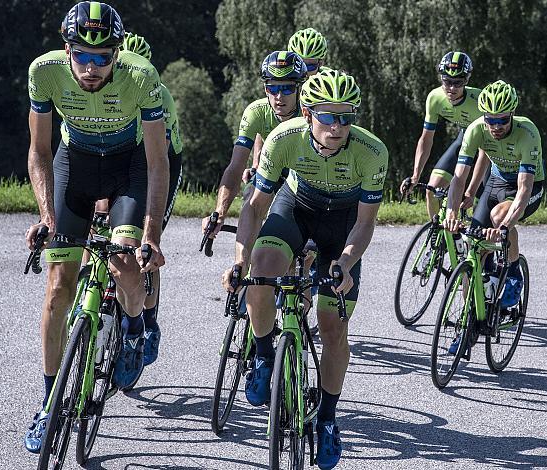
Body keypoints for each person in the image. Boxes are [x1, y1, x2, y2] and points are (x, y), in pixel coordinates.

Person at [223, 69, 388, 470]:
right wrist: (239, 256)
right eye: (328, 117)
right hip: (296, 208)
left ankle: (328, 420)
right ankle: (264, 355)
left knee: (333, 327)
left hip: (342, 227)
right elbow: (255, 205)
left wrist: (346, 262)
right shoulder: (284, 138)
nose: (337, 126)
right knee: (262, 268)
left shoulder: (371, 151)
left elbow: (365, 224)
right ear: (309, 112)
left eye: (346, 117)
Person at [23, 1, 167, 453]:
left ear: (117, 55)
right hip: (75, 166)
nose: (90, 66)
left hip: (129, 169)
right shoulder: (43, 73)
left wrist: (152, 235)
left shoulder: (142, 78)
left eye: (102, 57)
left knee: (126, 263)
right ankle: (48, 405)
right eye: (81, 55)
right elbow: (40, 153)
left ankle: (132, 326)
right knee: (57, 288)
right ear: (67, 50)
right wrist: (46, 217)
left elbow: (159, 163)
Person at [445, 80, 544, 309]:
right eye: (491, 120)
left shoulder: (527, 133)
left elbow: (524, 189)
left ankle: (513, 272)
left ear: (512, 114)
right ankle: (470, 318)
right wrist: (451, 211)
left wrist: (504, 228)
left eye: (502, 120)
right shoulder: (476, 130)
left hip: (526, 186)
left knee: (500, 216)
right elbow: (459, 177)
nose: (496, 126)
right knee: (473, 251)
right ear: (484, 117)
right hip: (496, 182)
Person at [117, 31, 183, 366]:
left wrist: (149, 228)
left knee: (145, 244)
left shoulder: (159, 96)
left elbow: (159, 160)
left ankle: (150, 320)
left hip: (161, 161)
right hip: (124, 159)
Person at [201, 51, 307, 234]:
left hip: (305, 174)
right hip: (273, 169)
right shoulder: (256, 112)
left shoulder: (309, 113)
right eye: (272, 89)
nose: (279, 97)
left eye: (287, 89)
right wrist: (220, 212)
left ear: (299, 88)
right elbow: (235, 167)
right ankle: (241, 262)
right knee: (251, 195)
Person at [401, 52, 483, 218]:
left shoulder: (479, 101)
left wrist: (471, 189)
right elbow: (426, 138)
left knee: (480, 206)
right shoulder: (435, 98)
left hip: (488, 148)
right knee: (432, 190)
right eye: (447, 81)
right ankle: (439, 238)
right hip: (465, 140)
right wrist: (416, 175)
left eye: (458, 82)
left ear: (466, 80)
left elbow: (485, 151)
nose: (451, 88)